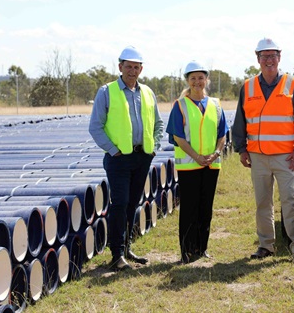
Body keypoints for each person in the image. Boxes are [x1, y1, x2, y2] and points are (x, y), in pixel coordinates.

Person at [232, 37, 294, 264]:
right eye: (264, 56)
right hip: (257, 156)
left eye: (273, 55)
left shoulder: (292, 85)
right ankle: (266, 245)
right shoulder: (247, 87)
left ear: (280, 57)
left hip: (285, 156)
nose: (269, 60)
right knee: (262, 202)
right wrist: (241, 149)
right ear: (257, 59)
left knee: (290, 200)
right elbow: (240, 121)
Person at [89, 45, 164, 271]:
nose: (132, 71)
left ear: (141, 69)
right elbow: (95, 127)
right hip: (119, 159)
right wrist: (113, 150)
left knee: (132, 203)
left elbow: (159, 124)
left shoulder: (148, 93)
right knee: (119, 204)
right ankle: (116, 255)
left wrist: (154, 148)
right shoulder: (107, 91)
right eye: (128, 67)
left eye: (136, 67)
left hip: (142, 158)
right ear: (120, 67)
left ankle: (126, 248)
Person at [166, 60, 229, 264]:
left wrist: (216, 153)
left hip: (211, 165)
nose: (197, 81)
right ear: (187, 81)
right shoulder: (180, 105)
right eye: (193, 78)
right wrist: (196, 156)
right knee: (189, 209)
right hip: (189, 166)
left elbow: (223, 135)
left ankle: (202, 248)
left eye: (201, 78)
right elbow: (178, 137)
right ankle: (186, 250)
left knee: (206, 208)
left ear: (206, 80)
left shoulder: (216, 105)